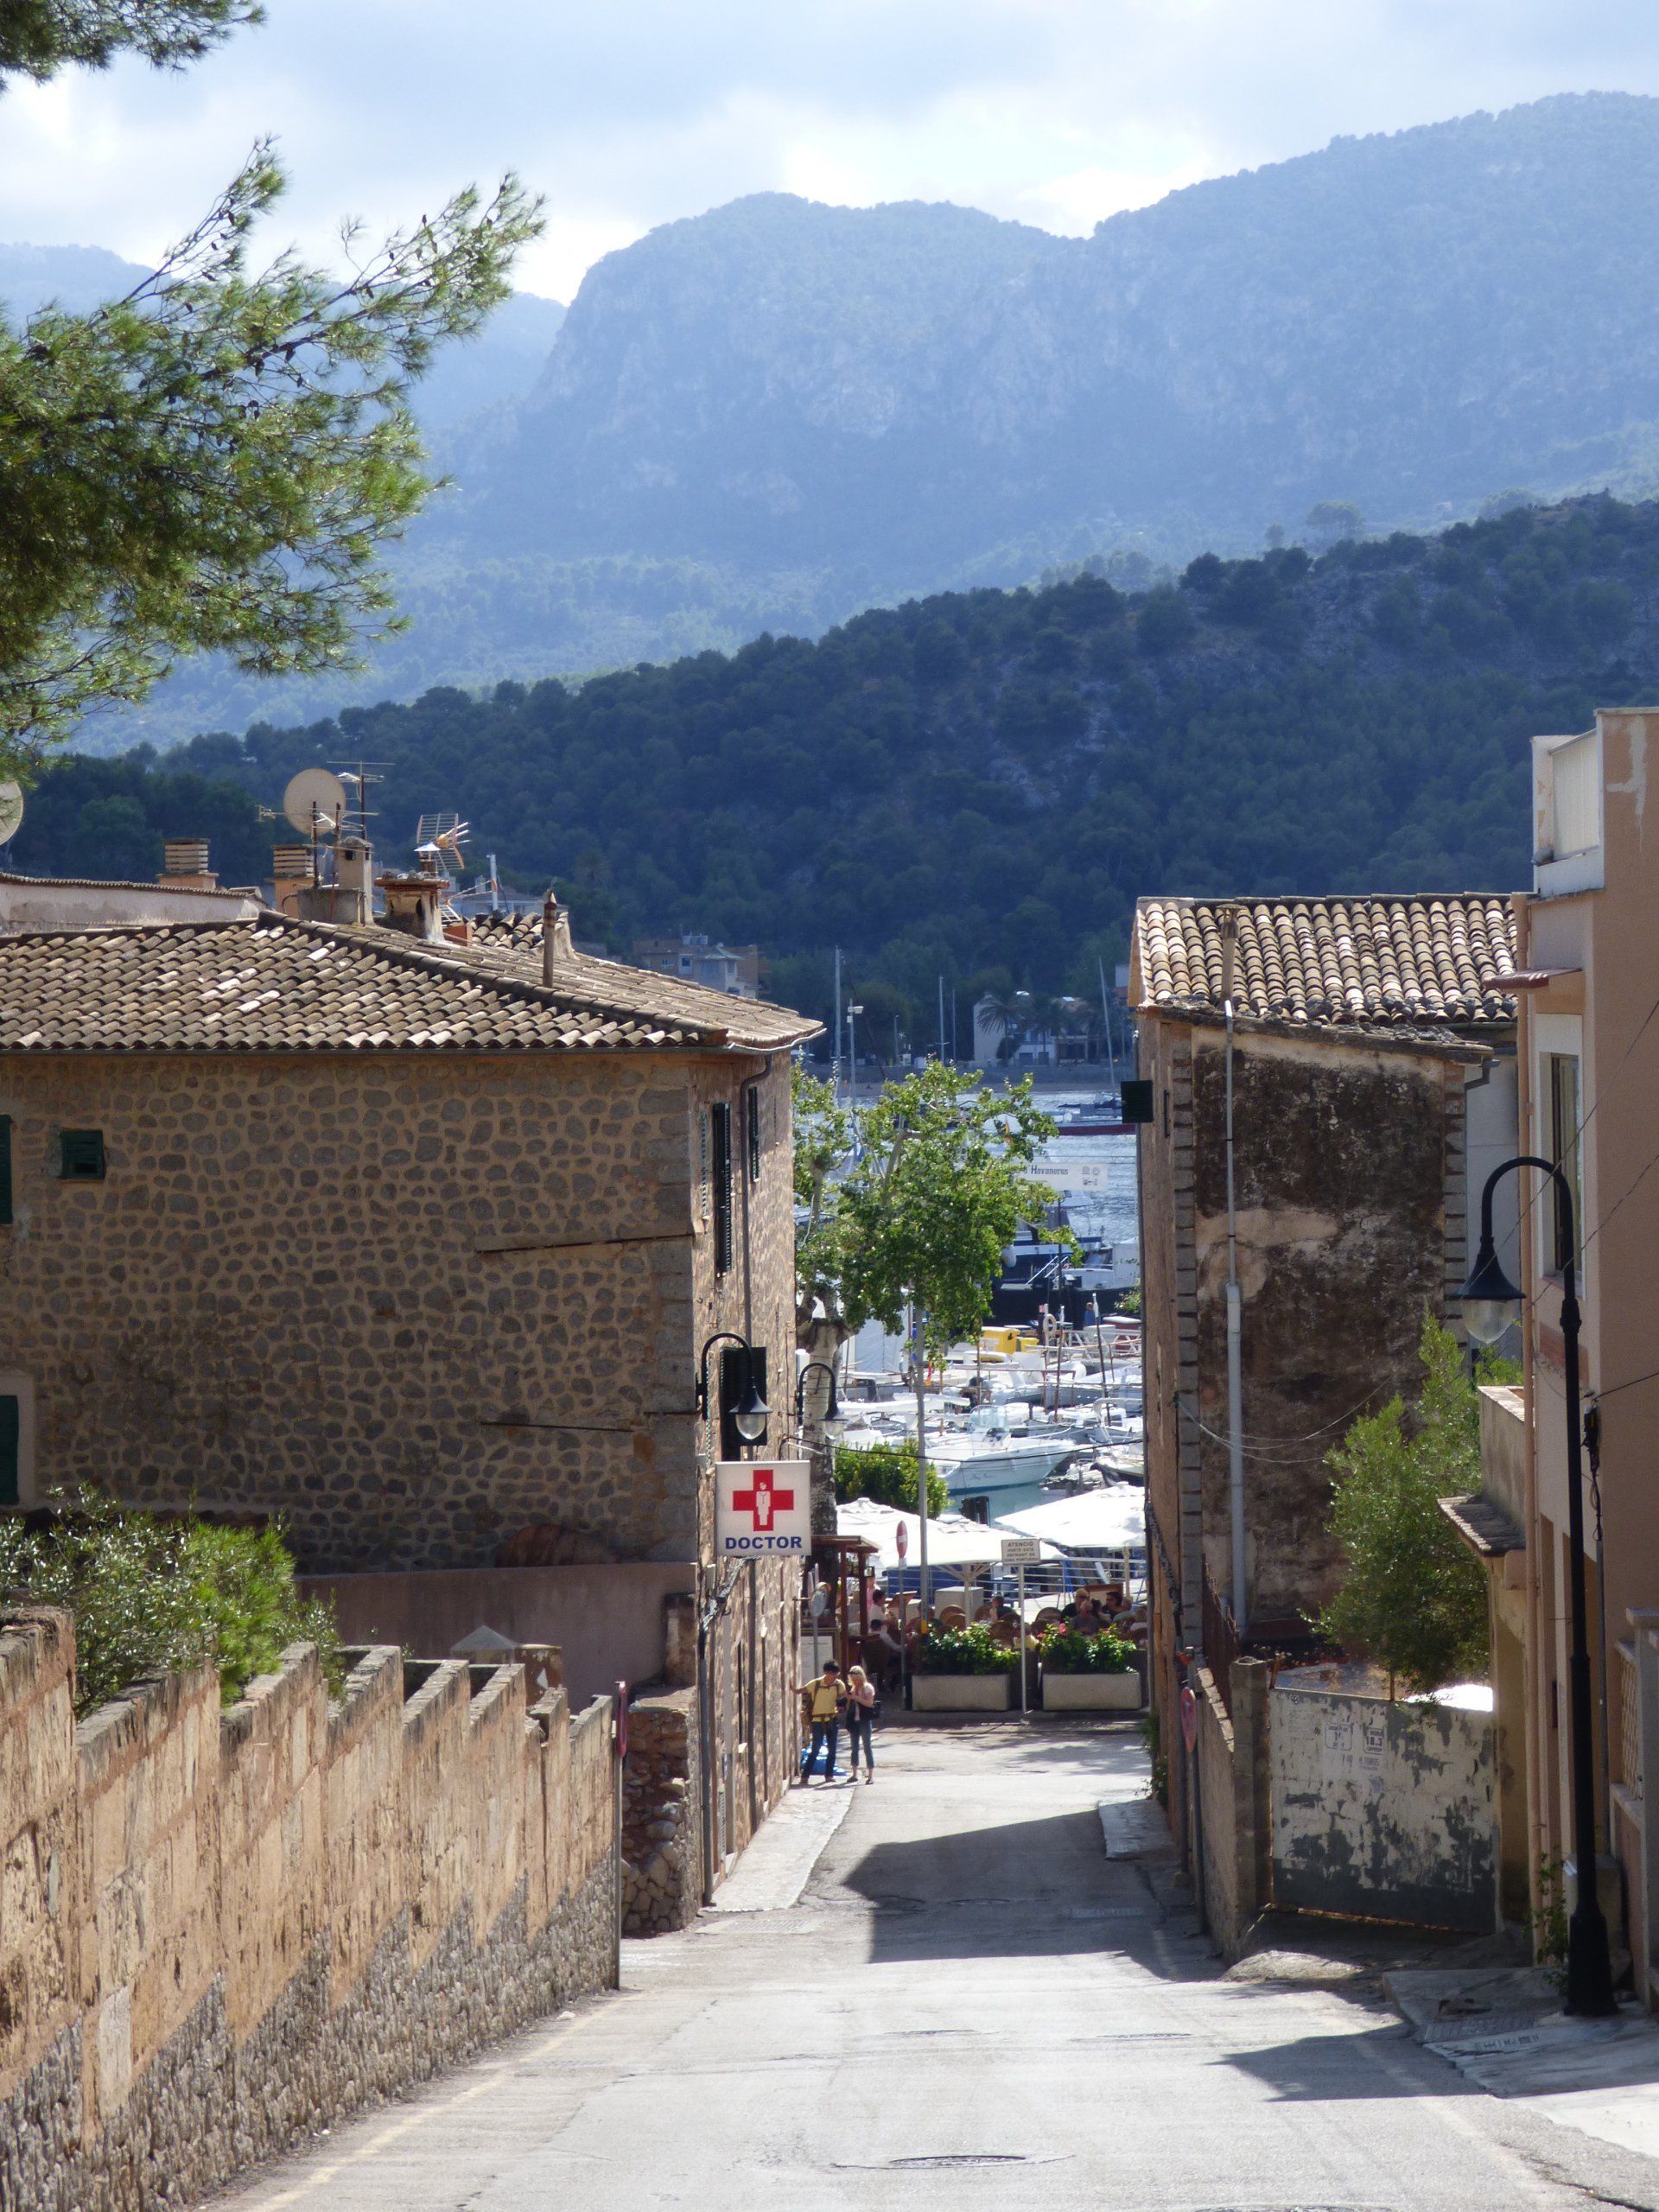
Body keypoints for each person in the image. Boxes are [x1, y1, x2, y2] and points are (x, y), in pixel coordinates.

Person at [798, 1661, 845, 1784]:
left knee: (832, 1749)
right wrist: (791, 1687)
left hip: (831, 1719)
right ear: (825, 1672)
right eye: (831, 1673)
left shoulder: (839, 1685)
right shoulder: (816, 1683)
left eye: (835, 1674)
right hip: (817, 1720)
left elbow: (845, 1696)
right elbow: (802, 1690)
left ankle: (829, 1775)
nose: (833, 1676)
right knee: (815, 1749)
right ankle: (805, 1776)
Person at [844, 1664, 878, 1783]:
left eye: (857, 1679)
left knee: (867, 1747)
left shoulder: (868, 1688)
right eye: (853, 1680)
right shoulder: (853, 1688)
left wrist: (856, 1698)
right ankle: (854, 1774)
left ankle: (870, 1776)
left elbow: (869, 1704)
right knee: (854, 1747)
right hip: (854, 1721)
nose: (855, 1682)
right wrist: (849, 1699)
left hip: (865, 1720)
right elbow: (850, 1706)